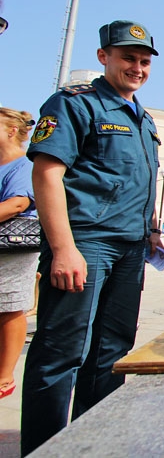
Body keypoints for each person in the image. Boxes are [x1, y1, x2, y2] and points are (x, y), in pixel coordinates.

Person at [21, 20, 163, 455]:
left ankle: (91, 443)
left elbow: (141, 179)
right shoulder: (74, 104)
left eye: (144, 60)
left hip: (129, 248)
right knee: (60, 353)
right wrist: (63, 248)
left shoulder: (143, 117)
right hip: (86, 244)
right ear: (104, 57)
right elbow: (47, 172)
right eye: (128, 58)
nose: (137, 67)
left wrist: (152, 231)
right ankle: (43, 448)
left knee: (111, 352)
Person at [0, 108, 37, 400]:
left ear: (12, 131)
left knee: (10, 307)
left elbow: (17, 203)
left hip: (12, 247)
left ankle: (4, 375)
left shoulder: (22, 165)